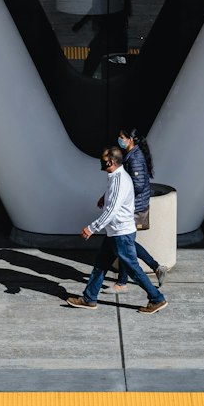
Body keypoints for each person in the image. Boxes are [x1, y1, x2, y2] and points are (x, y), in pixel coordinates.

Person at [66, 146, 167, 314]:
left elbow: (112, 210)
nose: (101, 163)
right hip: (115, 232)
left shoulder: (120, 179)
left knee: (133, 269)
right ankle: (89, 298)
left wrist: (92, 228)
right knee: (100, 265)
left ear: (111, 161)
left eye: (103, 160)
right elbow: (112, 199)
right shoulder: (115, 176)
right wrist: (104, 197)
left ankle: (157, 298)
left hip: (121, 233)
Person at [111, 128, 164, 291]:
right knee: (126, 242)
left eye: (122, 137)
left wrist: (121, 197)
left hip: (134, 207)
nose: (119, 140)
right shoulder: (133, 155)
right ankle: (154, 268)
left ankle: (122, 282)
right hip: (133, 205)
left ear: (130, 139)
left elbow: (138, 185)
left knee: (124, 242)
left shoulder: (135, 158)